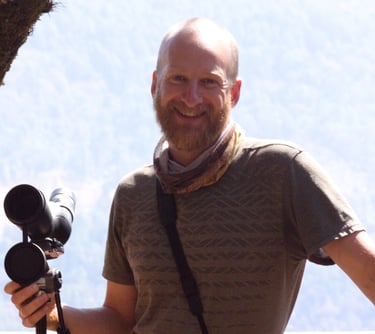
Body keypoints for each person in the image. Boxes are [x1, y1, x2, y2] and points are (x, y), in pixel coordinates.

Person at [4, 17, 375, 334]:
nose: (192, 97)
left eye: (210, 82)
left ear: (235, 93)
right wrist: (54, 314)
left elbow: (368, 271)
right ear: (155, 85)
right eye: (178, 79)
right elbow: (122, 319)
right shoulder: (134, 193)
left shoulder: (282, 171)